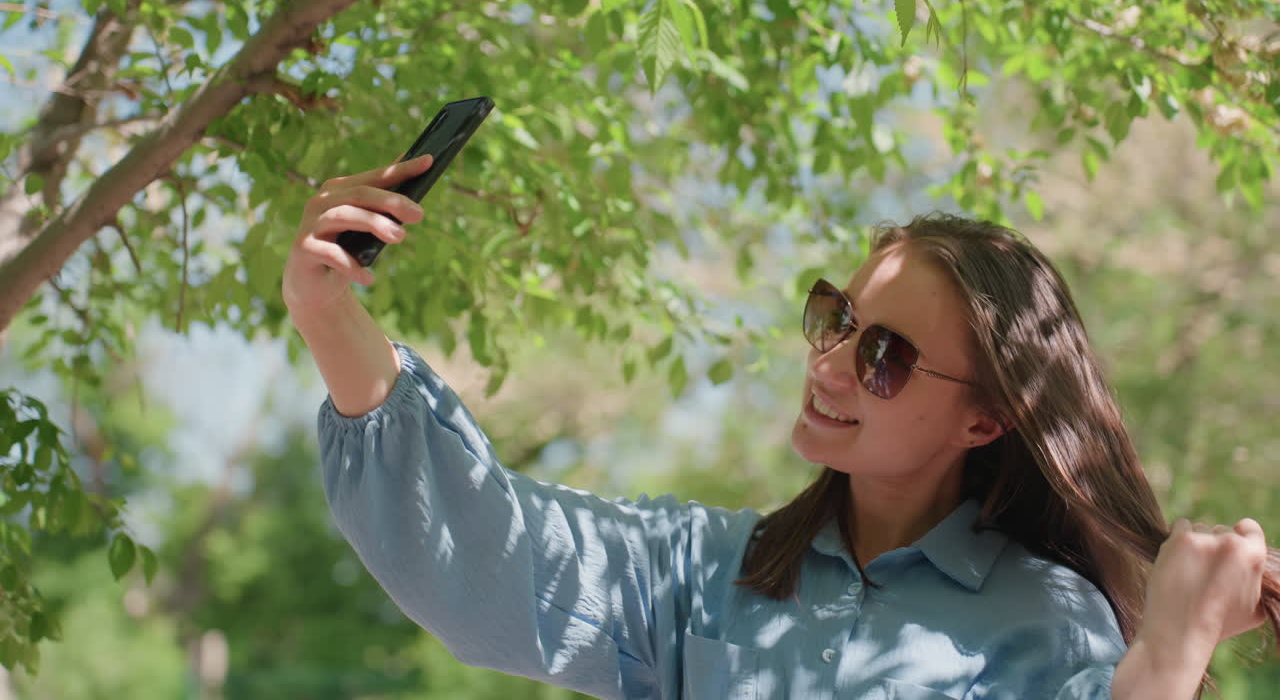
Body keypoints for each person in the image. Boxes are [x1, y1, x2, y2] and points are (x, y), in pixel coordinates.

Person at [283, 156, 1278, 699]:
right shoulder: (700, 570)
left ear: (984, 420)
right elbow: (485, 557)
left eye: (882, 356)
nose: (829, 362)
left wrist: (1168, 656)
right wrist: (329, 316)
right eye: (835, 317)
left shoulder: (1047, 624)